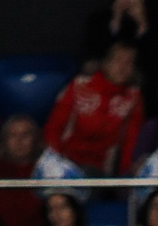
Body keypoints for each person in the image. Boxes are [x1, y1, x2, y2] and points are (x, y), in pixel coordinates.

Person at [49, 41, 148, 177]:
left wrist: (124, 179)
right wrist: (56, 166)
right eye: (118, 60)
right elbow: (53, 130)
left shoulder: (134, 97)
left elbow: (131, 143)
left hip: (101, 171)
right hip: (66, 164)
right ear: (106, 63)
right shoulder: (79, 86)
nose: (123, 67)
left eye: (129, 62)